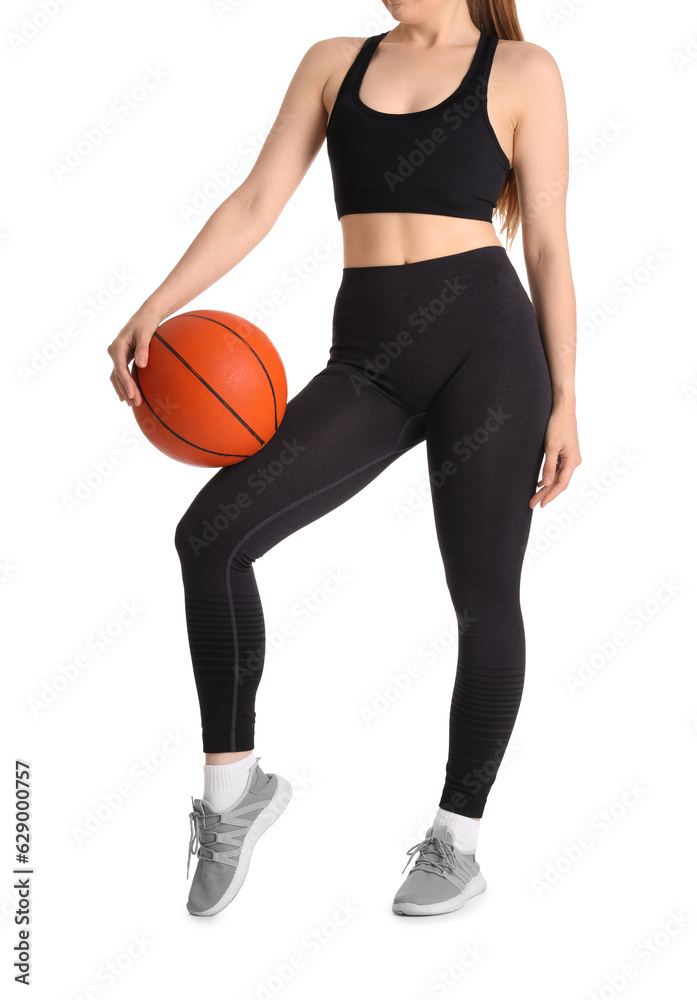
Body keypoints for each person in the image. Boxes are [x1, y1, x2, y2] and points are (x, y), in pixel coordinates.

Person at [107, 0, 581, 919]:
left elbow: (551, 245)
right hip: (369, 360)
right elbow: (255, 204)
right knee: (210, 537)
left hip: (490, 349)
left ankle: (456, 841)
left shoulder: (523, 72)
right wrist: (154, 306)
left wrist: (566, 397)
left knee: (484, 598)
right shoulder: (333, 62)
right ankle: (234, 791)